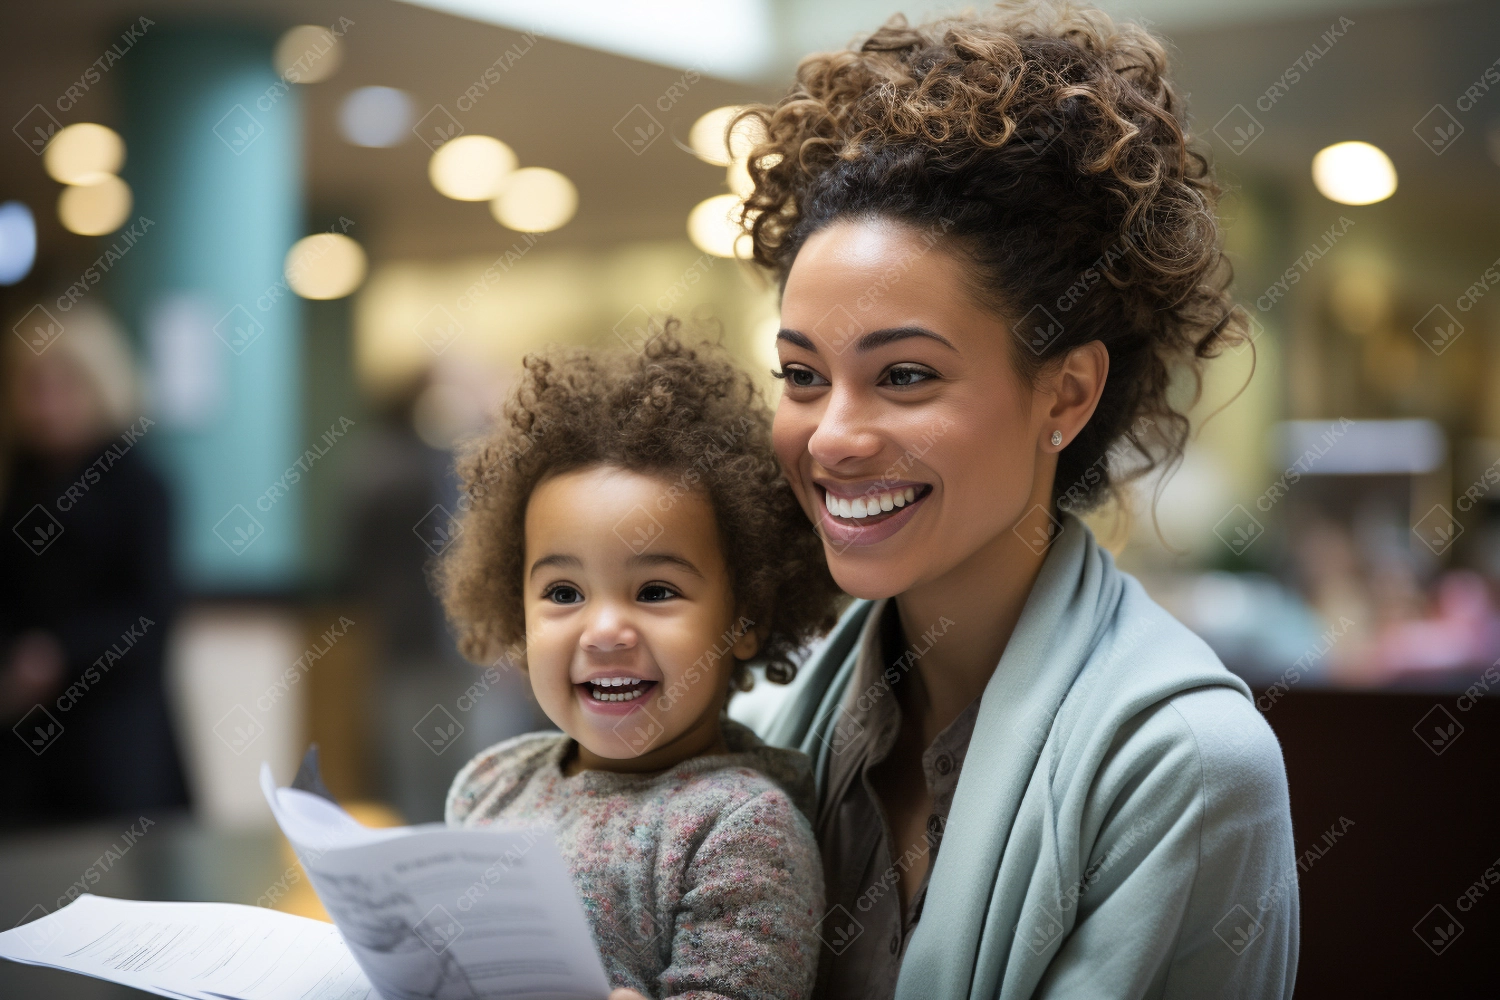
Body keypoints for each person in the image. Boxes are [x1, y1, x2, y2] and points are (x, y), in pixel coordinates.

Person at [630, 3, 1300, 998]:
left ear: (1065, 393)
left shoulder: (1184, 769)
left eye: (903, 376)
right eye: (803, 376)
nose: (832, 435)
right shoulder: (767, 723)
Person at [437, 329, 845, 999]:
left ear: (745, 619)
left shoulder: (741, 829)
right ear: (516, 611)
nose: (603, 630)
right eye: (563, 593)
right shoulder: (488, 786)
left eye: (655, 592)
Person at [0, 305, 188, 826]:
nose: (47, 404)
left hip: (114, 733)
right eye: (33, 386)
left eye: (64, 386)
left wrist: (61, 654)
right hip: (26, 736)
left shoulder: (139, 484)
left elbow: (151, 615)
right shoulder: (19, 484)